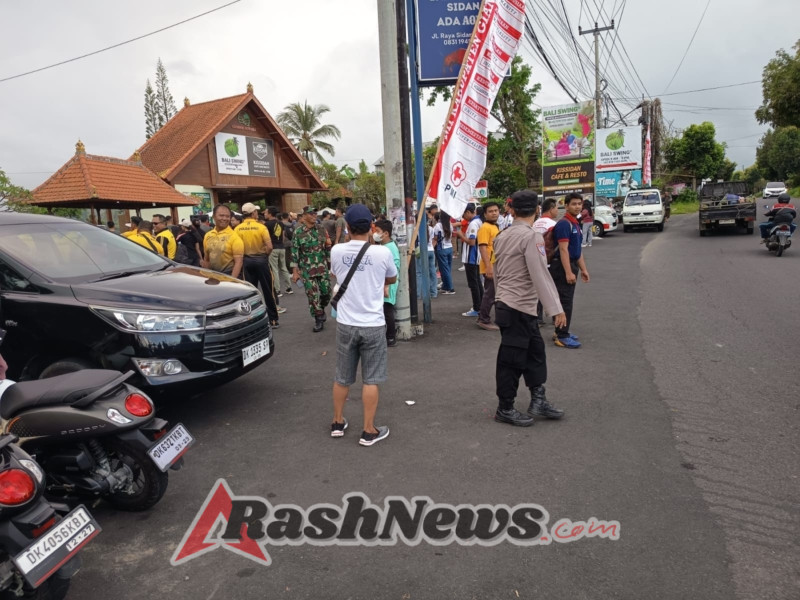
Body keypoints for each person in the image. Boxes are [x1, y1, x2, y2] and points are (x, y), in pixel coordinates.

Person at [492, 190, 567, 427]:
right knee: (511, 360)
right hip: (517, 306)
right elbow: (540, 274)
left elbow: (496, 272)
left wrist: (500, 297)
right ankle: (505, 407)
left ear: (512, 210)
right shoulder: (531, 237)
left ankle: (538, 398)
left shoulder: (502, 235)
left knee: (535, 353)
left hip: (512, 304)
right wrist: (556, 308)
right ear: (537, 209)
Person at [329, 204, 398, 446]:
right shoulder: (382, 253)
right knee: (371, 379)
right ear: (371, 226)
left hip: (346, 323)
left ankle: (337, 422)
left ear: (347, 227)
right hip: (373, 324)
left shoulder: (336, 250)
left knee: (342, 376)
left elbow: (336, 275)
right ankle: (369, 431)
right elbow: (392, 278)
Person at [551, 193, 590, 349]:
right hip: (562, 266)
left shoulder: (575, 223)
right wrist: (568, 272)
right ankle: (561, 335)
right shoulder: (564, 224)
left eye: (579, 204)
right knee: (565, 302)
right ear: (566, 206)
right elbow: (563, 250)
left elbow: (577, 250)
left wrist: (583, 269)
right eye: (574, 204)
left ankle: (560, 331)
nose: (577, 206)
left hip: (571, 264)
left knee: (566, 300)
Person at [237, 203, 281, 327]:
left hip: (246, 261)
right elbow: (269, 247)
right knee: (268, 290)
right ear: (253, 213)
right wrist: (265, 255)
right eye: (256, 211)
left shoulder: (238, 229)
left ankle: (251, 320)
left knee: (249, 292)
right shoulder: (261, 227)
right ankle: (273, 319)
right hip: (261, 260)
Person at [291, 206, 332, 332]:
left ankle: (321, 308)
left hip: (322, 267)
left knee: (326, 293)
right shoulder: (298, 232)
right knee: (312, 295)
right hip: (307, 270)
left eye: (315, 213)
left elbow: (327, 248)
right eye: (311, 213)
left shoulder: (321, 229)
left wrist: (331, 266)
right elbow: (294, 253)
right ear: (304, 216)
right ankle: (318, 318)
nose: (314, 215)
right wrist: (295, 272)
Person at [374, 219, 401, 346]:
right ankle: (388, 335)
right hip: (385, 282)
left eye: (377, 231)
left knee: (387, 309)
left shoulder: (390, 248)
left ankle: (390, 337)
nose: (375, 233)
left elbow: (395, 266)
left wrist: (387, 283)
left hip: (388, 283)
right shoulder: (385, 246)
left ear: (386, 233)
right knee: (385, 309)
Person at [533, 198, 559, 324]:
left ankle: (538, 317)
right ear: (551, 209)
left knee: (538, 289)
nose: (557, 211)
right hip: (550, 260)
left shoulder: (534, 224)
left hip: (536, 260)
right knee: (553, 289)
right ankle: (556, 317)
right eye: (556, 208)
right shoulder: (553, 224)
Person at [454, 203, 482, 317]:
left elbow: (471, 242)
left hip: (471, 257)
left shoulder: (473, 224)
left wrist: (461, 235)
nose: (463, 217)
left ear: (468, 212)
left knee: (473, 284)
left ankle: (477, 308)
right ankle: (480, 306)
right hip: (476, 256)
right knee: (477, 282)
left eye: (463, 215)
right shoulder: (479, 221)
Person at [201, 204, 244, 279]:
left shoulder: (234, 237)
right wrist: (207, 276)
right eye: (221, 215)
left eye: (227, 216)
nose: (224, 218)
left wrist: (231, 281)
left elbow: (238, 262)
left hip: (229, 276)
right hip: (212, 277)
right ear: (214, 216)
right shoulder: (208, 235)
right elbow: (206, 259)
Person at [477, 201, 501, 330]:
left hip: (496, 265)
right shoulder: (485, 228)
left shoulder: (495, 227)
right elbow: (482, 248)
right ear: (485, 214)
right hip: (490, 266)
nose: (494, 213)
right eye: (491, 211)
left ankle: (497, 319)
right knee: (489, 295)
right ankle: (483, 319)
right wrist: (488, 267)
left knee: (496, 295)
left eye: (496, 210)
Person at [265, 206, 294, 297]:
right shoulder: (281, 223)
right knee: (283, 268)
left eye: (266, 212)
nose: (264, 214)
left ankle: (277, 290)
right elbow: (283, 236)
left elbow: (266, 238)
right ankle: (289, 288)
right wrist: (280, 244)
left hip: (273, 248)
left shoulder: (266, 224)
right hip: (281, 247)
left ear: (270, 214)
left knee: (274, 269)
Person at [432, 210, 455, 295]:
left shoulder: (438, 226)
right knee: (448, 269)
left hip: (441, 249)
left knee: (444, 270)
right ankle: (445, 286)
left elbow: (435, 238)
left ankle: (450, 288)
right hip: (449, 248)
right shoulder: (450, 225)